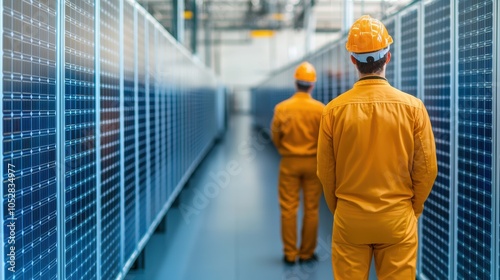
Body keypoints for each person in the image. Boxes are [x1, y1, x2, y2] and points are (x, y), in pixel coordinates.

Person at [317, 15, 438, 279]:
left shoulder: (333, 111)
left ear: (352, 60)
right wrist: (411, 209)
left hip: (350, 219)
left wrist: (341, 210)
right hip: (397, 219)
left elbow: (326, 173)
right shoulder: (413, 108)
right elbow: (427, 169)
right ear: (388, 57)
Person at [271, 62, 325, 265]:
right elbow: (325, 139)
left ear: (296, 83)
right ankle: (306, 253)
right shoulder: (320, 110)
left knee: (288, 208)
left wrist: (285, 150)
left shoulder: (282, 108)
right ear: (312, 85)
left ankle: (290, 254)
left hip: (289, 163)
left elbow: (276, 137)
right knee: (311, 209)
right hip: (313, 164)